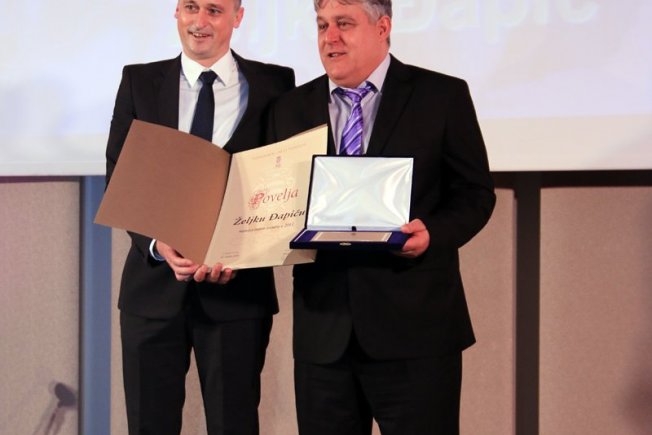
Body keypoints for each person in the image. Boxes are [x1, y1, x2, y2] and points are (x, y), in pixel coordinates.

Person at [266, 1, 496, 434]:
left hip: (416, 332)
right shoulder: (290, 108)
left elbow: (475, 194)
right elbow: (273, 202)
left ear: (382, 27)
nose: (330, 37)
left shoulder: (441, 96)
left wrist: (433, 233)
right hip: (323, 335)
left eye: (344, 24)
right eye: (322, 25)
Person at [105, 0, 295, 433]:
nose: (200, 21)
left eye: (214, 9)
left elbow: (285, 182)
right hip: (151, 293)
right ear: (176, 11)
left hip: (238, 295)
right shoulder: (140, 81)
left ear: (238, 17)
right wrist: (157, 244)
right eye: (191, 6)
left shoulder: (275, 84)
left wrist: (240, 252)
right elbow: (120, 173)